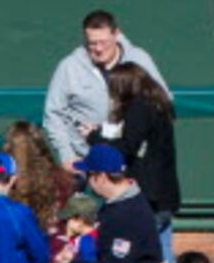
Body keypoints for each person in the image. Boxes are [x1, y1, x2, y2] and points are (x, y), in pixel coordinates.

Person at [44, 11, 164, 167]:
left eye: (104, 42)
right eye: (92, 43)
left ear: (116, 35)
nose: (99, 49)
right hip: (87, 159)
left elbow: (161, 101)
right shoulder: (69, 67)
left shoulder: (139, 60)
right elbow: (53, 113)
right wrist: (67, 155)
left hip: (134, 159)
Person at [101, 61, 182, 263]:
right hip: (164, 194)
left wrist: (95, 137)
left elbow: (126, 146)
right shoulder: (158, 104)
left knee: (145, 256)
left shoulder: (139, 108)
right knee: (164, 252)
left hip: (150, 197)